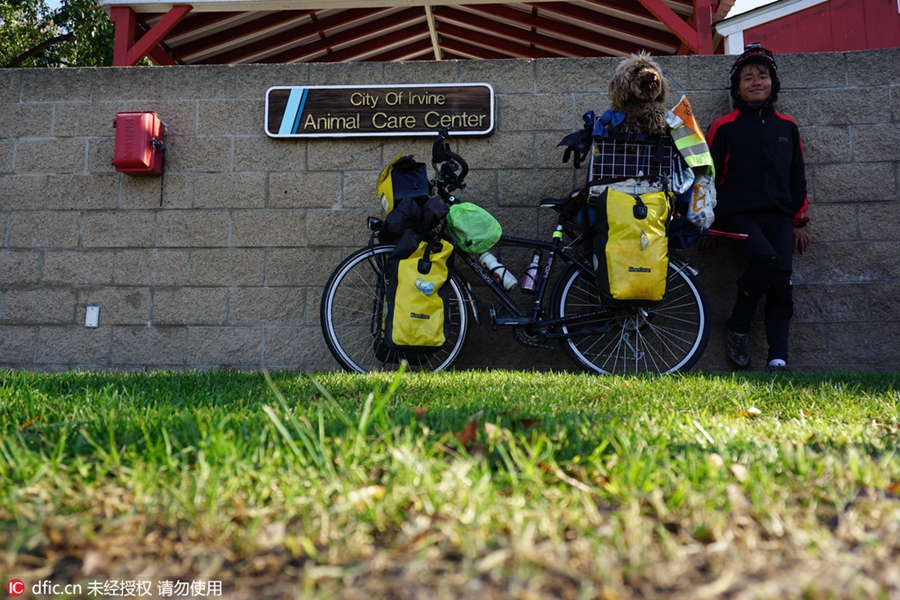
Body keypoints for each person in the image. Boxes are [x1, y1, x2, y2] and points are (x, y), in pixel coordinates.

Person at [705, 44, 810, 372]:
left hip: (779, 218)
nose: (755, 82)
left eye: (762, 76)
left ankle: (778, 360)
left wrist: (799, 221)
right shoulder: (724, 126)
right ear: (737, 87)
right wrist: (706, 220)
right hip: (737, 215)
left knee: (782, 282)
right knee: (765, 262)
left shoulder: (787, 127)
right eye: (747, 77)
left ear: (772, 83)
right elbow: (706, 177)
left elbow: (798, 175)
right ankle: (737, 327)